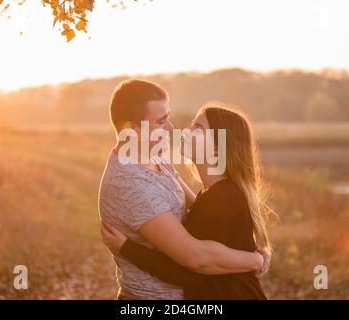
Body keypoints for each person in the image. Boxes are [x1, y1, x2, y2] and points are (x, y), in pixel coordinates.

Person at [98, 80, 269, 300]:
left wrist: (253, 256)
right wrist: (254, 259)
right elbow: (195, 259)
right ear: (131, 130)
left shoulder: (155, 155)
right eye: (161, 121)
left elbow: (198, 209)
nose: (171, 127)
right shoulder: (130, 184)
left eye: (168, 117)